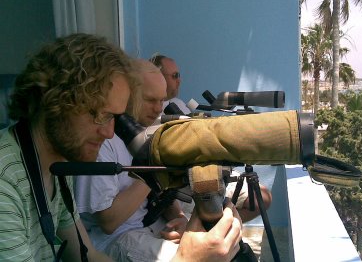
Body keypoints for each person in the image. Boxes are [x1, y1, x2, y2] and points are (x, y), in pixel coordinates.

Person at [0, 34, 242, 262]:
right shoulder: (5, 181)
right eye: (100, 115)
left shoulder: (55, 171)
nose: (108, 132)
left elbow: (88, 257)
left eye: (115, 117)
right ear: (54, 101)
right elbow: (105, 227)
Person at [74, 60, 196, 261]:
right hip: (113, 239)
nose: (159, 109)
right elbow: (108, 222)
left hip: (146, 223)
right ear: (127, 96)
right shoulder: (104, 140)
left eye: (161, 101)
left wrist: (179, 219)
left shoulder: (149, 130)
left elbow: (162, 193)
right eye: (150, 100)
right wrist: (153, 171)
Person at [151, 54, 272, 222]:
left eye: (179, 75)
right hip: (189, 182)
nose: (179, 80)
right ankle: (213, 229)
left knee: (262, 199)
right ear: (157, 77)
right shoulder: (150, 115)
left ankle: (220, 227)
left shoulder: (177, 103)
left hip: (210, 168)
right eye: (175, 76)